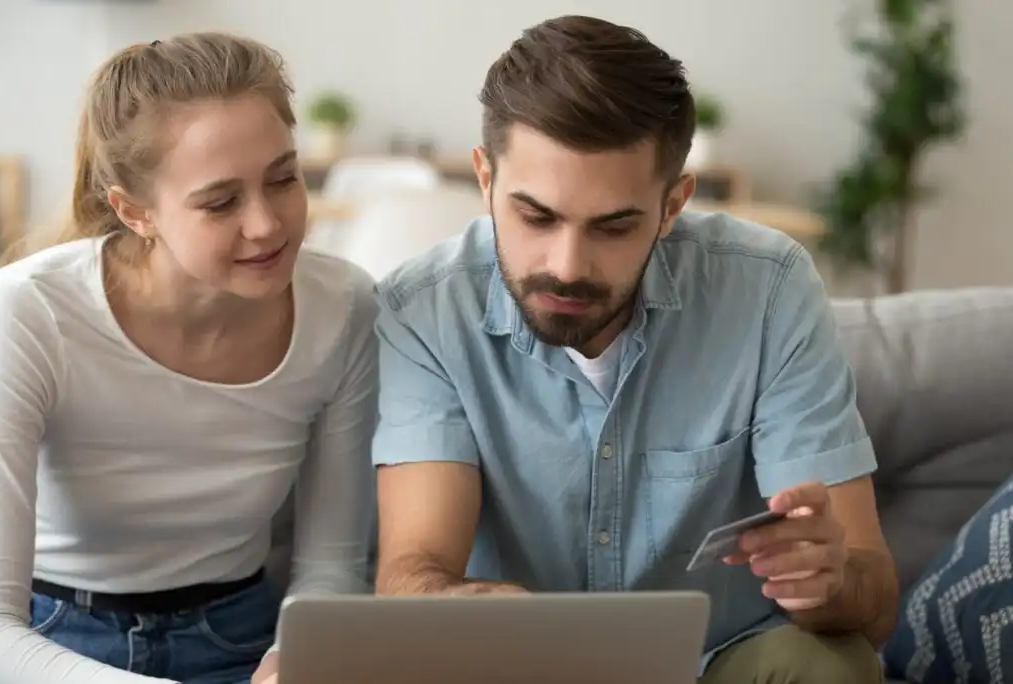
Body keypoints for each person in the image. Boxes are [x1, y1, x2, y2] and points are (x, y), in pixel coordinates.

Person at [371, 14, 899, 684]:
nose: (566, 265)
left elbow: (874, 602)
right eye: (535, 217)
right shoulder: (424, 311)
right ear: (485, 179)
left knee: (833, 665)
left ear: (674, 203)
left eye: (614, 226)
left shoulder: (770, 290)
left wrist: (830, 582)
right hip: (515, 666)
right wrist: (460, 604)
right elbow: (412, 573)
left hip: (715, 662)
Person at [0, 33, 377, 684]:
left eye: (285, 178)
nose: (267, 225)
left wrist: (293, 661)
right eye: (221, 202)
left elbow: (331, 568)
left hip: (247, 638)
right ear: (134, 211)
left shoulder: (345, 308)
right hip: (52, 646)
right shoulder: (27, 314)